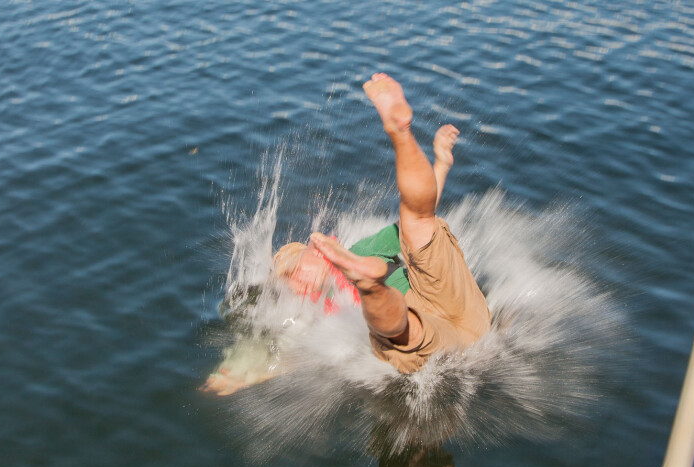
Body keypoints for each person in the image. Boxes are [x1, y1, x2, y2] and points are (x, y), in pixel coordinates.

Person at [203, 73, 490, 393]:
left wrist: (441, 164)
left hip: (444, 316)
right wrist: (244, 373)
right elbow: (296, 357)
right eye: (292, 282)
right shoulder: (319, 318)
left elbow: (418, 218)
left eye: (298, 269)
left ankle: (401, 135)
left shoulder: (361, 251)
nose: (299, 283)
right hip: (448, 323)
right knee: (404, 324)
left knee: (403, 319)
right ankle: (372, 285)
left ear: (322, 248)